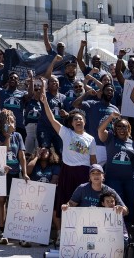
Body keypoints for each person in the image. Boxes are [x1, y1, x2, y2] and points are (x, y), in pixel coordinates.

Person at [40, 91, 97, 246]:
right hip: (67, 172)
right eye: (75, 119)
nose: (78, 121)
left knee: (81, 205)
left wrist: (95, 176)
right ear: (71, 123)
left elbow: (93, 160)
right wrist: (45, 103)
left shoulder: (90, 139)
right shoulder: (66, 133)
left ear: (84, 122)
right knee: (63, 204)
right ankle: (61, 235)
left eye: (80, 119)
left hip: (84, 174)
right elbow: (51, 119)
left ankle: (80, 236)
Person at [0, 109, 29, 245]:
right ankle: (2, 229)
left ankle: (13, 229)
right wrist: (7, 135)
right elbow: (4, 151)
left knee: (13, 202)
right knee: (1, 200)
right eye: (8, 121)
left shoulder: (18, 136)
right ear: (2, 122)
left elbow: (22, 156)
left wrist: (24, 173)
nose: (11, 124)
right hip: (1, 173)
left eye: (12, 121)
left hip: (15, 172)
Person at [98, 112, 134, 224]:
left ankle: (128, 231)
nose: (121, 128)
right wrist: (111, 117)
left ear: (128, 128)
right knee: (115, 204)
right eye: (118, 126)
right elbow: (100, 130)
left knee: (130, 204)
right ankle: (116, 228)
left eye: (124, 126)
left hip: (130, 180)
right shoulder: (110, 138)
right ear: (115, 128)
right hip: (113, 179)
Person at [64, 164, 128, 215]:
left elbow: (126, 211)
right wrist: (66, 206)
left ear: (103, 176)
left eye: (98, 173)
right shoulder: (82, 188)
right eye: (93, 173)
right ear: (90, 177)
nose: (96, 176)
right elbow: (71, 204)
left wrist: (121, 209)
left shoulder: (110, 191)